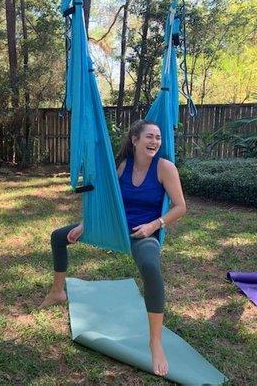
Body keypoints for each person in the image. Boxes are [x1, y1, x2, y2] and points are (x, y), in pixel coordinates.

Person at [40, 120, 187, 377]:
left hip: (143, 232)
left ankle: (155, 341)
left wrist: (155, 225)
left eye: (158, 138)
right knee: (58, 237)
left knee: (151, 267)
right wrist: (88, 224)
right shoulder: (121, 166)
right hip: (113, 228)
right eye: (149, 137)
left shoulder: (165, 168)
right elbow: (108, 201)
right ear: (135, 139)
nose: (154, 142)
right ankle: (56, 292)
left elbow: (180, 207)